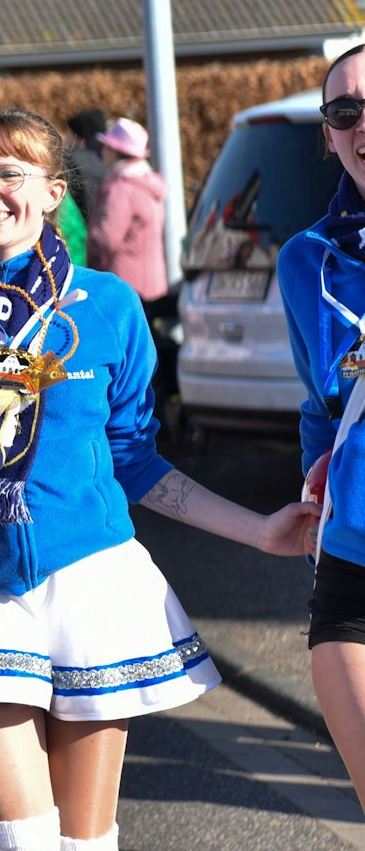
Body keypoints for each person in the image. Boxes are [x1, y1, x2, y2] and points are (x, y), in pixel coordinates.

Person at [0, 109, 316, 851]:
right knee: (20, 836)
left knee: (85, 839)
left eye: (9, 173)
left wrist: (260, 531)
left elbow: (135, 457)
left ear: (53, 191)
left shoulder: (109, 304)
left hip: (89, 582)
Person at [281, 42, 365, 807]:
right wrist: (315, 488)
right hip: (352, 555)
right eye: (346, 111)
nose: (362, 123)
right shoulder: (304, 258)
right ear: (329, 133)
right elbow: (320, 401)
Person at [88, 116, 169, 306]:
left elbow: (105, 239)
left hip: (124, 284)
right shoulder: (148, 183)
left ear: (114, 151)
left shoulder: (120, 188)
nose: (102, 151)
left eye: (105, 146)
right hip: (153, 282)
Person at [63, 110, 109, 221]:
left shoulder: (73, 162)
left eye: (69, 134)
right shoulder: (107, 160)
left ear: (79, 137)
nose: (67, 139)